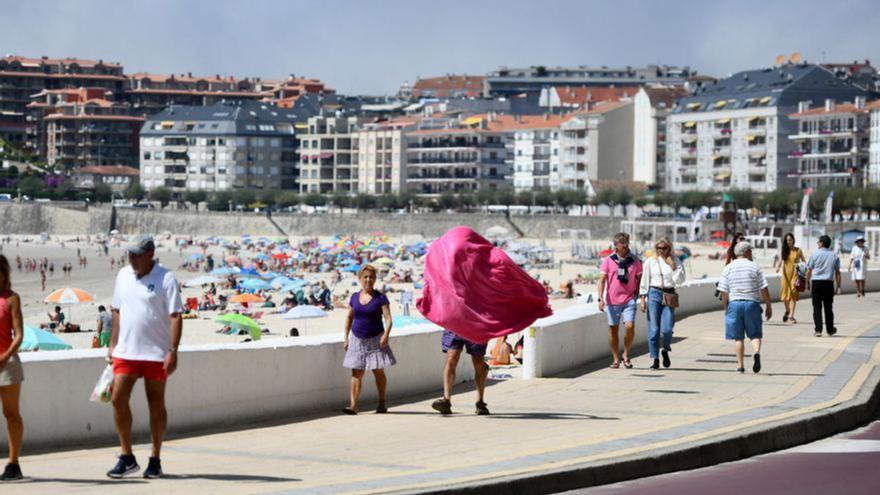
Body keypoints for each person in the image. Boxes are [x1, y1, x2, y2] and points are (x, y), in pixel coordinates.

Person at [107, 236, 183, 478]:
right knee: (117, 399)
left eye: (137, 254)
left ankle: (155, 458)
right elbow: (117, 311)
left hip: (155, 354)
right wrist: (112, 343)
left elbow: (175, 316)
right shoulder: (122, 275)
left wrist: (172, 351)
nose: (132, 259)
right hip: (125, 352)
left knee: (156, 404)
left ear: (150, 253)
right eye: (130, 254)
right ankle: (127, 456)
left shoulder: (166, 278)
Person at [342, 264, 395, 415]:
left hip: (376, 338)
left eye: (371, 277)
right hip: (357, 339)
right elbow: (349, 318)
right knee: (356, 373)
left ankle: (382, 402)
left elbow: (389, 319)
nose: (368, 280)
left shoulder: (381, 298)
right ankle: (353, 405)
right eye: (365, 277)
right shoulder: (354, 297)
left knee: (378, 371)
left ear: (375, 279)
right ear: (360, 279)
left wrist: (386, 335)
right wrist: (345, 338)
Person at [717, 242, 772, 374]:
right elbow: (763, 287)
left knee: (738, 338)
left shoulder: (728, 268)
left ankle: (740, 366)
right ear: (747, 252)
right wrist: (768, 305)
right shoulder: (754, 267)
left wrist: (726, 306)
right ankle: (757, 353)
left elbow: (723, 291)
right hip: (752, 303)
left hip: (735, 303)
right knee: (755, 334)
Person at [639, 237, 685, 370]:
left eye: (664, 248)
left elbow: (680, 280)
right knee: (653, 329)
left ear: (669, 248)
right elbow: (645, 280)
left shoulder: (675, 261)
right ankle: (655, 358)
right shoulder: (650, 261)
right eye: (659, 248)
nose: (661, 250)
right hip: (654, 293)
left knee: (667, 328)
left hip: (669, 294)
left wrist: (673, 266)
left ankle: (665, 349)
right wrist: (643, 298)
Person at [598, 233, 642, 369]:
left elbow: (640, 278)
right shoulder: (608, 260)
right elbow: (602, 280)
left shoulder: (635, 260)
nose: (625, 245)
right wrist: (600, 298)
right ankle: (616, 359)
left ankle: (626, 355)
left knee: (629, 326)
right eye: (621, 242)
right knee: (613, 329)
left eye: (626, 242)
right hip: (612, 300)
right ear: (615, 245)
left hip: (629, 299)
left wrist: (638, 292)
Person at [0, 255, 24, 481]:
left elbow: (19, 335)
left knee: (11, 413)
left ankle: (13, 463)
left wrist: (5, 357)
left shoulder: (11, 299)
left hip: (7, 365)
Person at [431, 328, 490, 415]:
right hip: (454, 326)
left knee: (478, 362)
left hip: (475, 326)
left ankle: (480, 402)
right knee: (452, 357)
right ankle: (446, 400)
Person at [806, 235, 841, 337]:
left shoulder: (815, 254)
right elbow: (838, 272)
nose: (817, 244)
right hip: (828, 284)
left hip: (816, 283)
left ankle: (818, 330)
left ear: (821, 243)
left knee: (816, 307)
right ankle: (830, 330)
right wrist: (838, 286)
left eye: (818, 242)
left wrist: (807, 282)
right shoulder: (834, 255)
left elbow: (809, 270)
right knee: (828, 308)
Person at [775, 233, 806, 324]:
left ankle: (791, 316)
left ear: (793, 240)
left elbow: (804, 261)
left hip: (795, 275)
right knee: (784, 296)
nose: (789, 242)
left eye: (790, 240)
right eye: (787, 240)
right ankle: (787, 310)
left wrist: (804, 270)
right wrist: (778, 267)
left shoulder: (798, 250)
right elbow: (780, 261)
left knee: (793, 294)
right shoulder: (784, 250)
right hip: (785, 275)